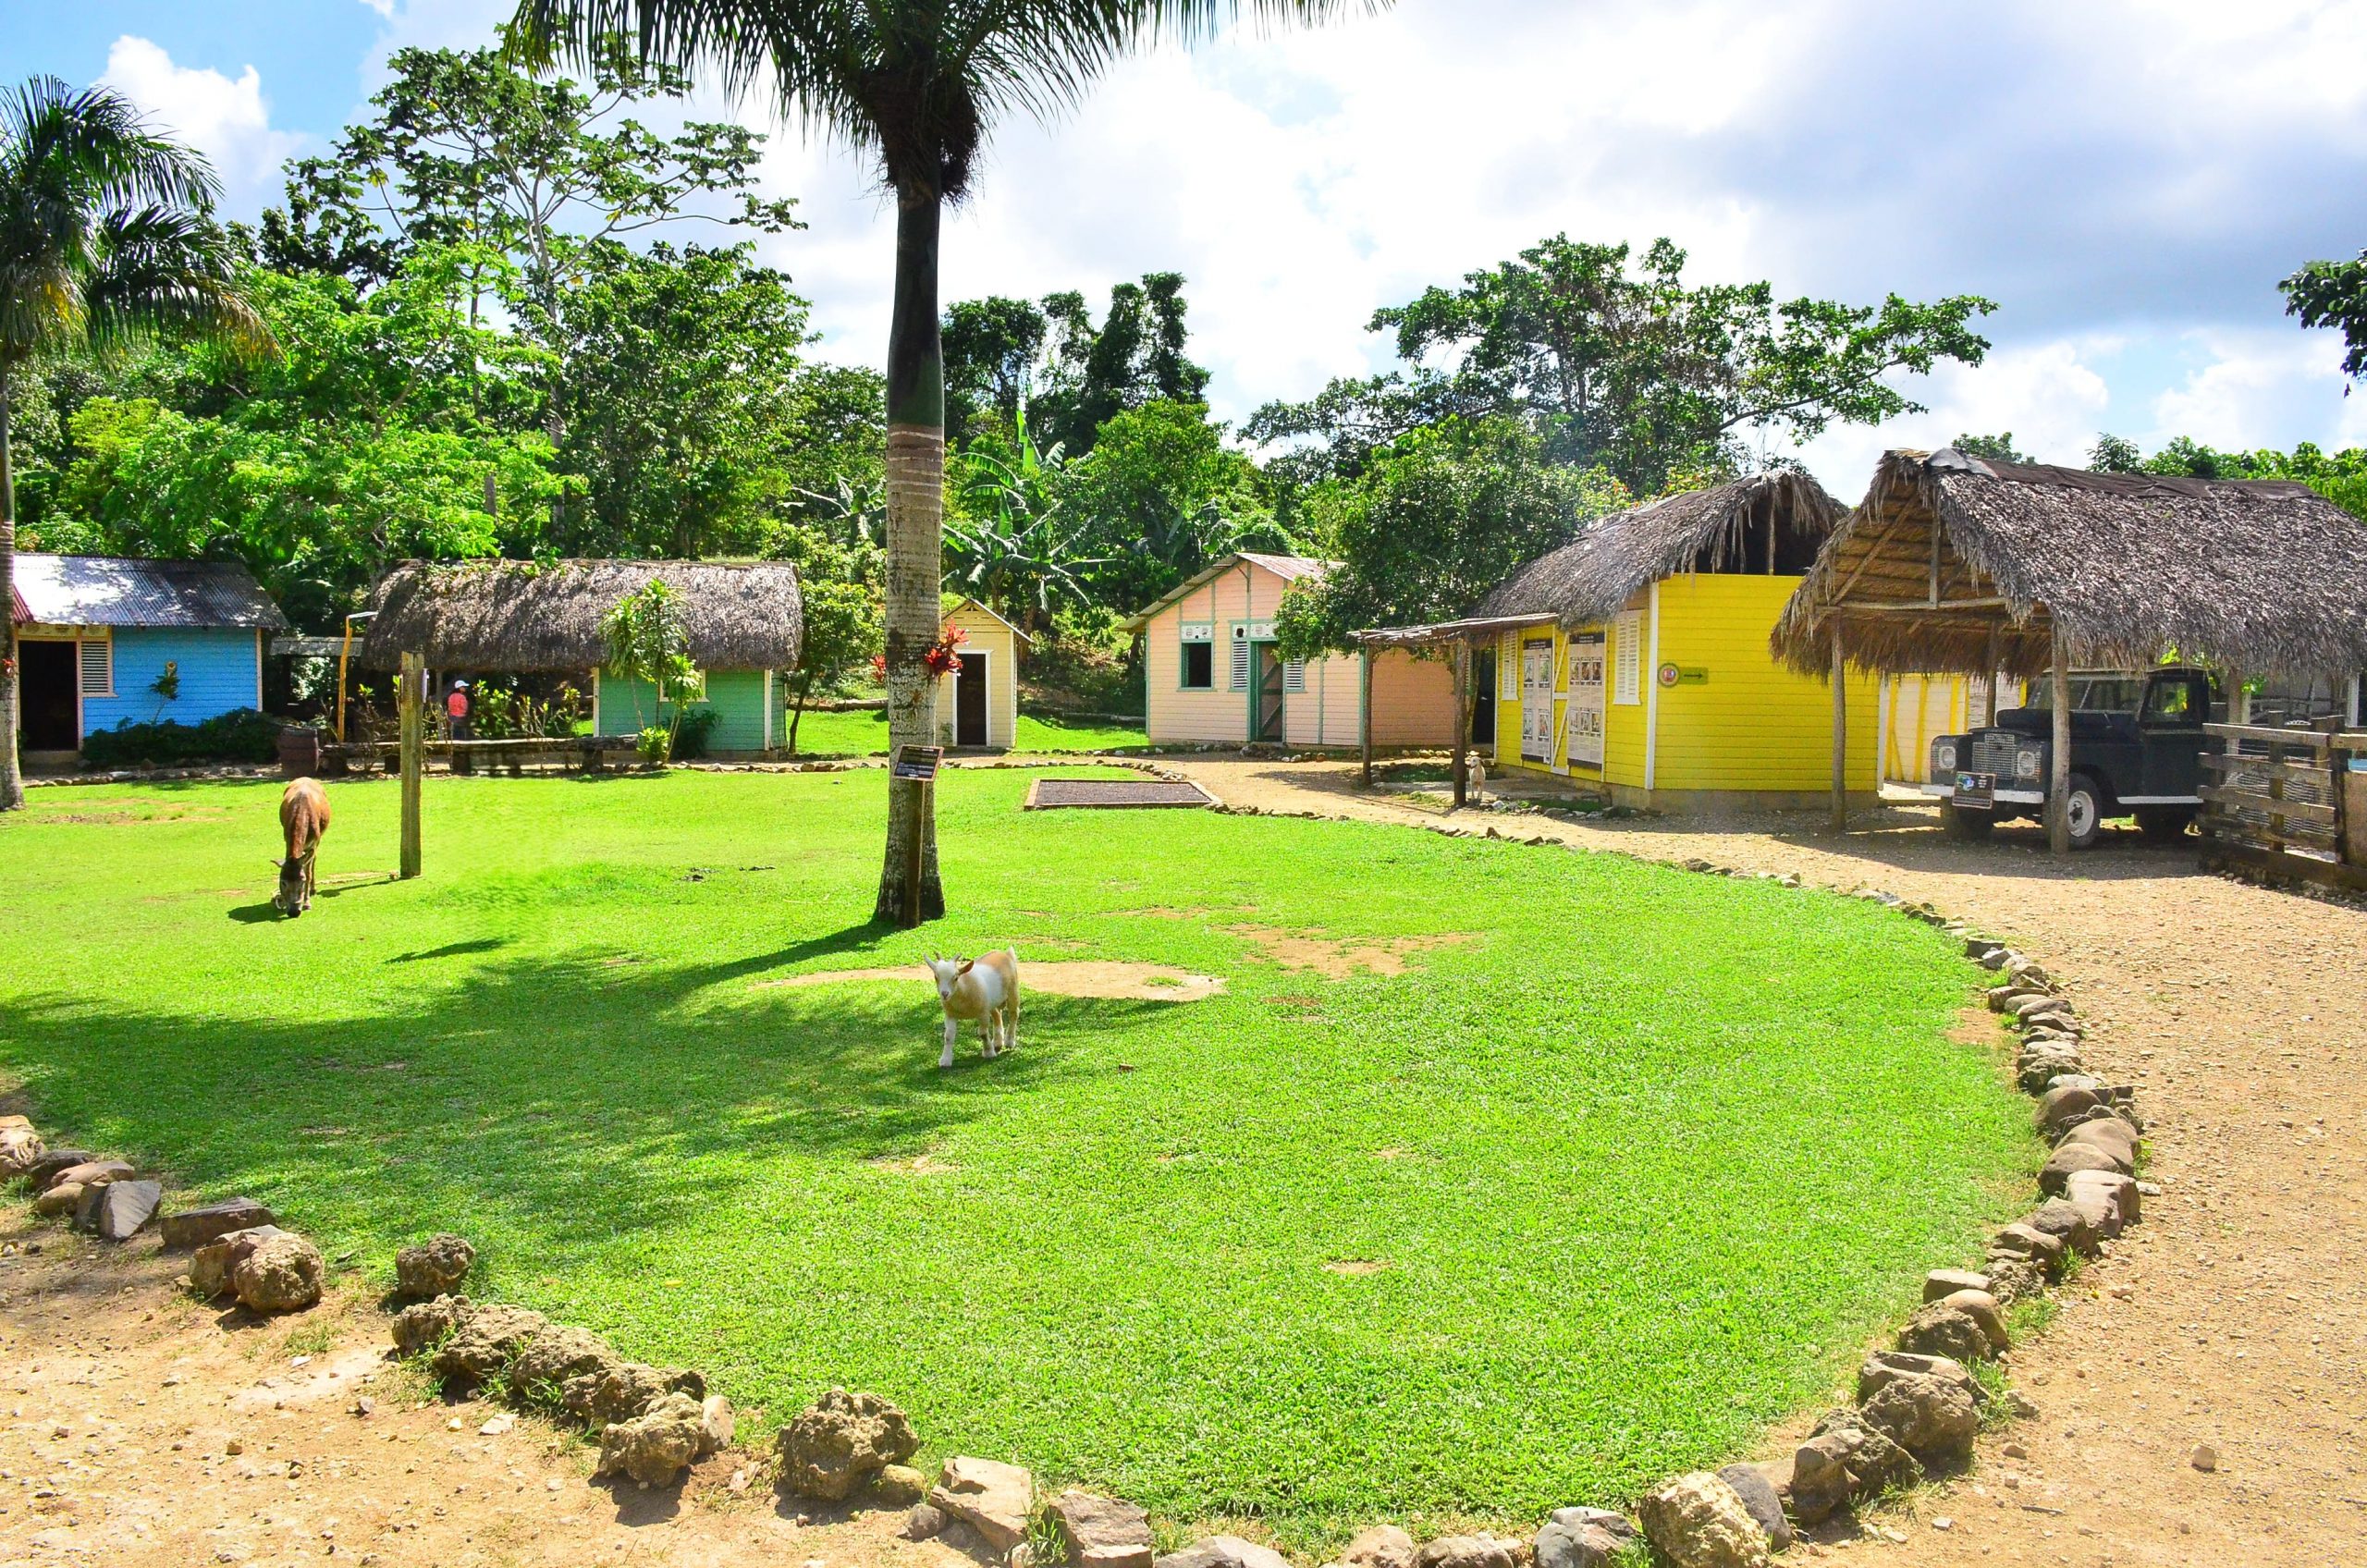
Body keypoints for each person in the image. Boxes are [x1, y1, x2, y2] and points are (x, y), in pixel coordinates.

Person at [446, 680, 472, 773]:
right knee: (462, 739)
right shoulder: (462, 697)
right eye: (463, 687)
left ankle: (454, 762)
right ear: (459, 688)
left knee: (454, 739)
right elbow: (464, 708)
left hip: (452, 719)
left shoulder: (451, 697)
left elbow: (449, 708)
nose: (465, 688)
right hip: (461, 719)